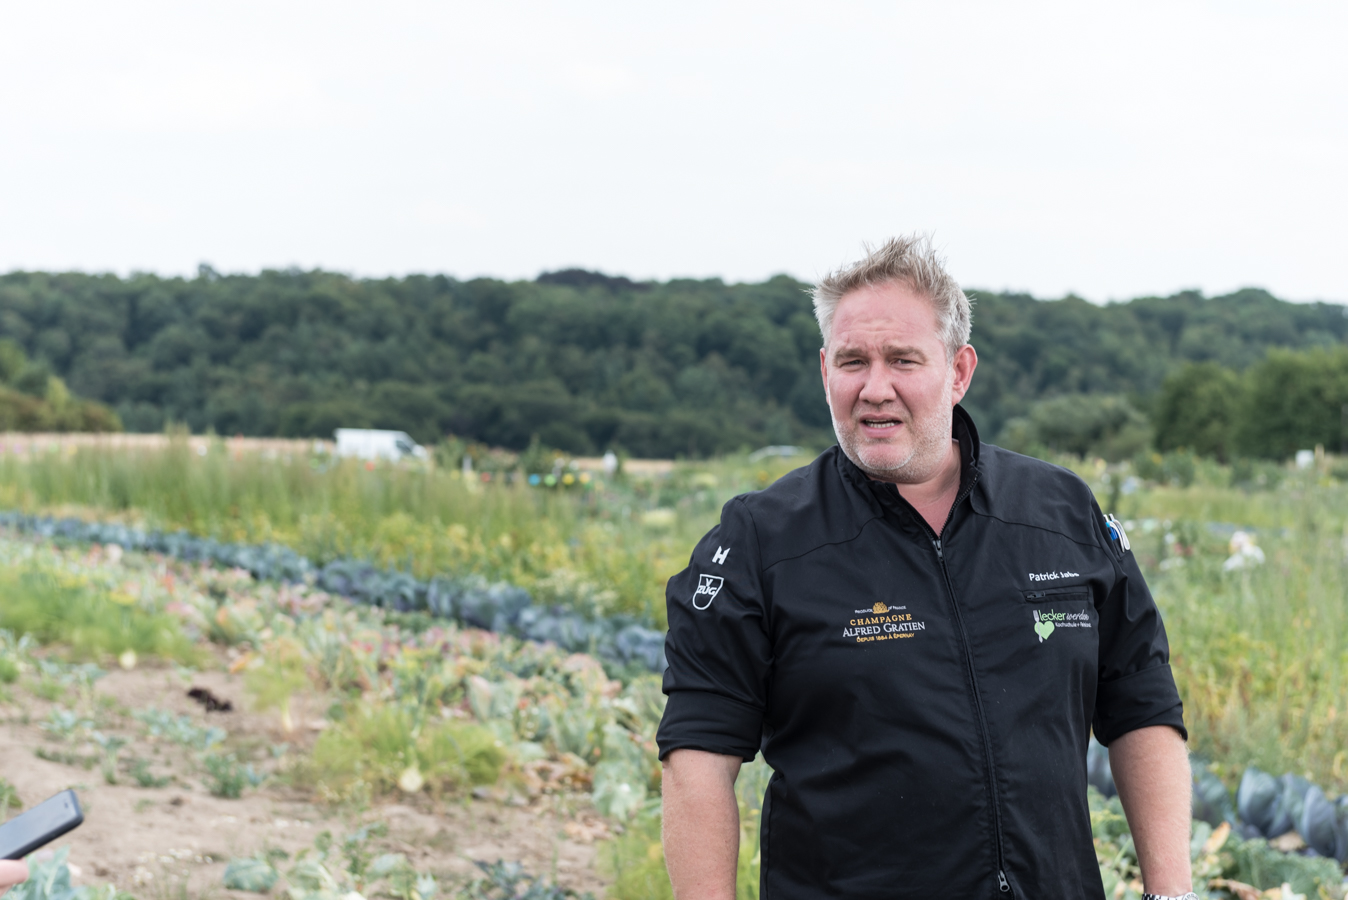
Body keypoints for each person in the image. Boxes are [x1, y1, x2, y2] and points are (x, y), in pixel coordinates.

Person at [656, 236, 1194, 900]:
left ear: (959, 370)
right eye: (853, 361)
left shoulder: (1059, 514)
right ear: (826, 370)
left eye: (903, 360)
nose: (875, 388)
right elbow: (698, 758)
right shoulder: (760, 540)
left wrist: (1170, 894)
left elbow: (1141, 704)